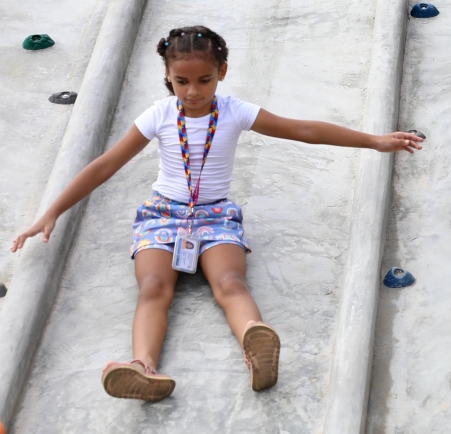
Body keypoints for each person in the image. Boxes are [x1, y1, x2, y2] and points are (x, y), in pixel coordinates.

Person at [10, 25, 423, 402]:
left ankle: (255, 343)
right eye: (182, 81)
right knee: (153, 286)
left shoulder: (233, 111)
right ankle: (142, 368)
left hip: (215, 216)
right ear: (168, 77)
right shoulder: (158, 115)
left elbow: (304, 130)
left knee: (230, 281)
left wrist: (373, 141)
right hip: (162, 214)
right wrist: (53, 212)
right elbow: (105, 164)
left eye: (204, 80)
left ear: (222, 72)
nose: (192, 91)